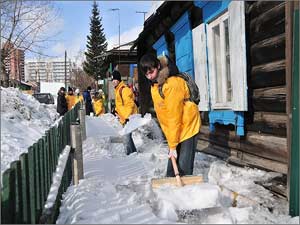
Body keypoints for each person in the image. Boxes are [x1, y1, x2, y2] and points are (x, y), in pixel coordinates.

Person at [139, 54, 201, 177]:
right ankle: (170, 191)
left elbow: (174, 116)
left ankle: (187, 193)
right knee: (172, 171)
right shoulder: (155, 86)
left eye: (151, 71)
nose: (150, 76)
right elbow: (165, 114)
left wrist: (172, 146)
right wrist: (172, 142)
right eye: (146, 74)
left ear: (158, 65)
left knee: (183, 169)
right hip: (176, 129)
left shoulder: (172, 84)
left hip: (188, 125)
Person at [111, 70, 138, 155]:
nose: (113, 82)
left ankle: (130, 155)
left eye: (115, 80)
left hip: (129, 117)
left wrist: (127, 117)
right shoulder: (118, 90)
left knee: (127, 137)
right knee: (128, 137)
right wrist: (115, 110)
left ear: (118, 80)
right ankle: (134, 153)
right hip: (124, 117)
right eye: (112, 80)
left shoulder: (123, 89)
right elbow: (120, 104)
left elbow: (130, 105)